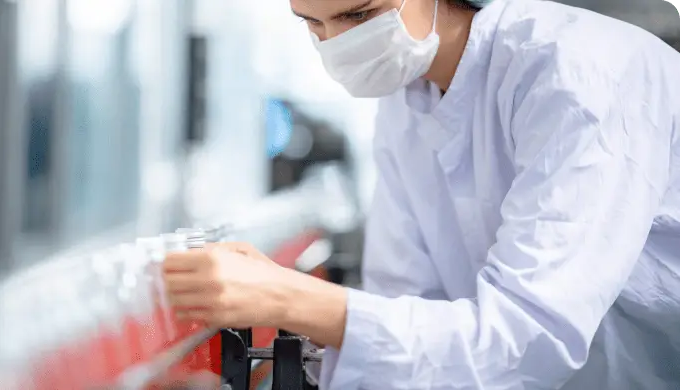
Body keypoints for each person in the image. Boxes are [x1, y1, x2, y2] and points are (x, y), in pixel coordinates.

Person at [162, 0, 680, 388]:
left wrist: (289, 297)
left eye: (360, 15)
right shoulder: (407, 97)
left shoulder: (579, 73)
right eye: (312, 24)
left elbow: (528, 339)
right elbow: (405, 302)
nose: (335, 45)